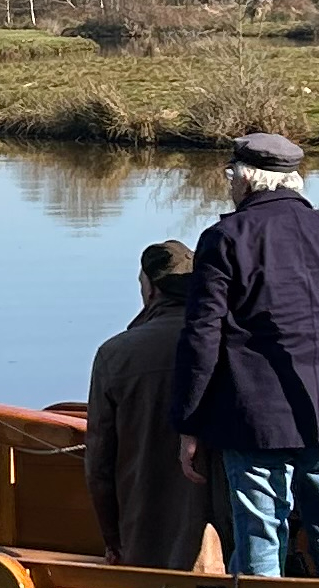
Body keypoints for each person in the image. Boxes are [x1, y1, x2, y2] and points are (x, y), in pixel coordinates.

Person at [168, 133, 319, 579]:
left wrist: (189, 423)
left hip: (253, 420)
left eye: (230, 179)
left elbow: (202, 336)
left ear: (242, 180)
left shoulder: (224, 238)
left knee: (260, 537)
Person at [83, 239, 220, 570]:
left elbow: (99, 465)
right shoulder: (229, 344)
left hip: (143, 542)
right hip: (219, 547)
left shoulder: (114, 354)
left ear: (152, 289)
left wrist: (112, 540)